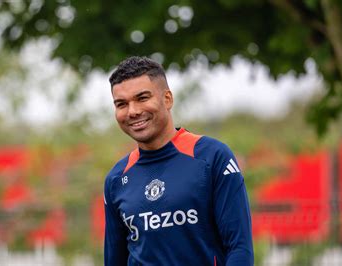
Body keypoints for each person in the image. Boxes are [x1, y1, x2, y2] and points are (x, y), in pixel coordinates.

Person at [103, 56, 254, 265]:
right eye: (122, 104)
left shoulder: (212, 157)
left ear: (167, 99)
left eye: (142, 98)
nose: (133, 111)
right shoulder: (116, 179)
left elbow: (240, 248)